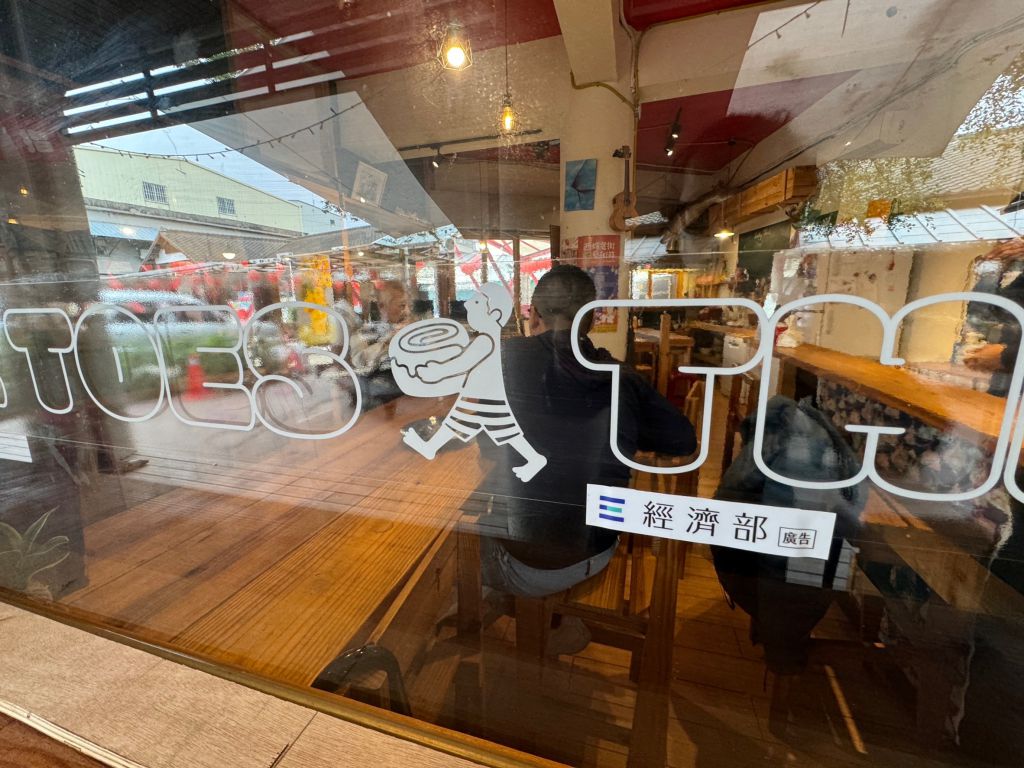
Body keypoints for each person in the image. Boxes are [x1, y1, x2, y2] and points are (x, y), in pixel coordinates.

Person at [476, 265, 696, 619]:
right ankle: (545, 621)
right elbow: (683, 441)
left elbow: (486, 445)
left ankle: (521, 618)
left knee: (446, 544)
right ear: (590, 320)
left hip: (524, 560)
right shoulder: (620, 376)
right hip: (597, 552)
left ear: (533, 315)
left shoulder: (505, 361)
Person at [350, 280, 410, 406]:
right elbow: (361, 365)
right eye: (402, 305)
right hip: (378, 406)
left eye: (408, 306)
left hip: (410, 401)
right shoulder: (363, 334)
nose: (407, 312)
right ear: (382, 306)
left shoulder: (410, 333)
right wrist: (390, 340)